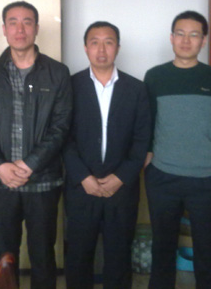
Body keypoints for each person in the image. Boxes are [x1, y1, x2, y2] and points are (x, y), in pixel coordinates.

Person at [0, 1, 72, 289]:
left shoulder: (57, 73)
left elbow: (61, 127)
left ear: (36, 28)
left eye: (27, 22)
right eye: (13, 22)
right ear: (4, 29)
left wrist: (30, 164)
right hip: (1, 183)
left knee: (43, 255)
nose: (20, 29)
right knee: (4, 256)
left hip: (43, 182)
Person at [144, 10, 211, 289]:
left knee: (207, 249)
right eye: (180, 34)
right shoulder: (155, 76)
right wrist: (149, 164)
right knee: (162, 247)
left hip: (207, 178)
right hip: (163, 176)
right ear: (171, 38)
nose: (186, 41)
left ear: (203, 41)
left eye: (194, 35)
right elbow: (146, 123)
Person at [64, 21, 151, 289]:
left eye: (108, 42)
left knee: (119, 258)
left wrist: (121, 177)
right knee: (78, 257)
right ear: (85, 48)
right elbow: (62, 137)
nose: (101, 49)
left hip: (121, 189)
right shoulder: (69, 86)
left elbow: (142, 140)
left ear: (118, 48)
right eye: (95, 42)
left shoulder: (136, 89)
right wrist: (83, 177)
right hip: (81, 188)